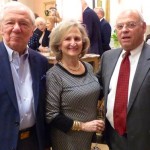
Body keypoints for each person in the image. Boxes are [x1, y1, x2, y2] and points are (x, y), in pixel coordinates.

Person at [45, 20, 105, 150]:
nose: (73, 43)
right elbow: (51, 116)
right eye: (67, 39)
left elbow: (93, 92)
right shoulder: (54, 75)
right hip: (67, 138)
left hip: (88, 135)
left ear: (83, 43)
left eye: (77, 38)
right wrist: (84, 126)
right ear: (59, 45)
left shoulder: (88, 67)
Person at [97, 8, 150, 150]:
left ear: (143, 27)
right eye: (120, 26)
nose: (124, 30)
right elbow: (96, 88)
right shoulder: (108, 57)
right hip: (113, 137)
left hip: (144, 140)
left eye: (131, 25)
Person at [0, 1, 50, 150]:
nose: (16, 28)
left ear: (32, 29)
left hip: (34, 141)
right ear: (2, 28)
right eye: (10, 22)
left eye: (23, 23)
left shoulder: (41, 62)